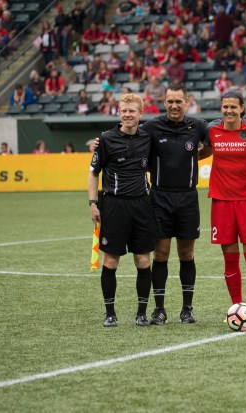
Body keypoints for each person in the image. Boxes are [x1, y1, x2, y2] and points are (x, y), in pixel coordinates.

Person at [92, 83, 210, 325]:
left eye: (179, 101)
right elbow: (124, 132)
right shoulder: (152, 127)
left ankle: (187, 309)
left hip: (188, 197)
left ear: (186, 102)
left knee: (187, 253)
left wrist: (193, 156)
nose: (175, 105)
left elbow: (214, 143)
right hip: (158, 197)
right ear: (164, 103)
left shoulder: (198, 126)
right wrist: (98, 144)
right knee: (161, 254)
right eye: (170, 101)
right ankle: (159, 309)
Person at [199, 91, 246, 322]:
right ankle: (236, 306)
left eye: (233, 107)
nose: (229, 111)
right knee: (229, 257)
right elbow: (207, 150)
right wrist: (185, 157)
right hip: (221, 201)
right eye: (225, 107)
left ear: (242, 108)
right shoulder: (211, 130)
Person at [88, 93, 154, 327]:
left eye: (132, 111)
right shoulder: (106, 139)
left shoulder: (148, 137)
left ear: (140, 113)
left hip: (141, 205)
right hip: (114, 205)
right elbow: (94, 172)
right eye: (124, 110)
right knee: (111, 261)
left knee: (144, 261)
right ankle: (110, 313)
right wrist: (93, 203)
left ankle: (141, 314)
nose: (127, 114)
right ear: (119, 112)